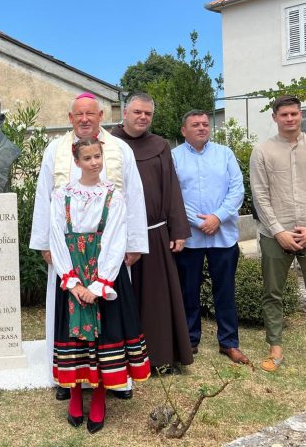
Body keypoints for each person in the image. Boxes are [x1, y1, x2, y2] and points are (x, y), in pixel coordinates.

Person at [30, 92, 148, 401]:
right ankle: (68, 378)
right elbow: (44, 195)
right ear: (70, 118)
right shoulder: (55, 150)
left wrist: (135, 242)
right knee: (69, 314)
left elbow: (134, 196)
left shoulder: (120, 149)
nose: (84, 119)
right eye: (78, 114)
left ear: (100, 116)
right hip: (68, 254)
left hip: (110, 251)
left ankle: (116, 378)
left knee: (112, 315)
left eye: (90, 113)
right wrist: (44, 242)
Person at [50, 137, 151, 434]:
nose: (94, 162)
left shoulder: (113, 196)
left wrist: (98, 285)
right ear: (76, 161)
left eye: (97, 156)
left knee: (105, 335)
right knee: (75, 338)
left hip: (104, 271)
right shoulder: (61, 196)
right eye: (88, 158)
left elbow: (115, 239)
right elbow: (56, 236)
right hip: (72, 273)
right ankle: (74, 394)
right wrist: (72, 281)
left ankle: (98, 398)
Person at [250, 95, 306, 380]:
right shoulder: (262, 151)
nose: (290, 118)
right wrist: (278, 231)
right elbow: (260, 194)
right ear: (275, 117)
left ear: (301, 115)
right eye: (284, 114)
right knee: (272, 293)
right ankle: (275, 350)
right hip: (275, 235)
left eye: (294, 114)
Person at [111, 93, 193, 373]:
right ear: (125, 112)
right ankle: (121, 358)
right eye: (137, 112)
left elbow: (171, 187)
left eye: (148, 113)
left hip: (154, 233)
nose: (143, 117)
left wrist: (178, 229)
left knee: (157, 299)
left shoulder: (160, 146)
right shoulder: (109, 144)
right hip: (118, 235)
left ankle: (159, 357)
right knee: (123, 297)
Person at [172, 110, 248, 364]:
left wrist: (218, 217)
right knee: (188, 291)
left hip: (223, 235)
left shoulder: (225, 154)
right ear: (184, 130)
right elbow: (172, 196)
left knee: (225, 291)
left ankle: (229, 342)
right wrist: (198, 222)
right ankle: (189, 340)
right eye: (195, 124)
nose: (202, 128)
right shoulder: (174, 157)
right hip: (189, 237)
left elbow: (237, 189)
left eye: (205, 124)